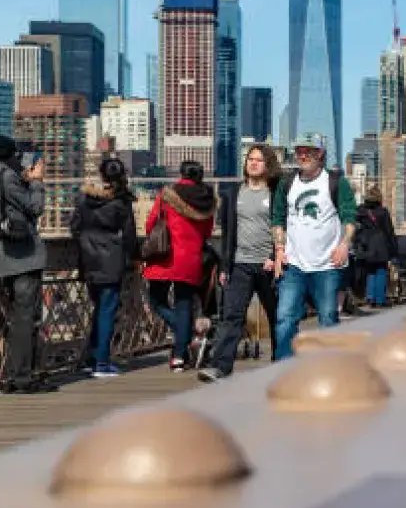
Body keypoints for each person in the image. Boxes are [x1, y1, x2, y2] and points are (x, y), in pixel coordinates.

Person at [0, 132, 53, 394]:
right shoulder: (6, 177)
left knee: (17, 318)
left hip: (1, 255)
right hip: (23, 257)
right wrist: (37, 182)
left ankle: (15, 375)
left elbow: (8, 208)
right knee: (26, 319)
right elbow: (34, 207)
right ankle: (22, 378)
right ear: (6, 154)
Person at [270, 132, 357, 361]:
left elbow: (349, 217)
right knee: (285, 318)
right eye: (299, 150)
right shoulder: (286, 183)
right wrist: (279, 249)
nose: (302, 155)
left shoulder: (336, 182)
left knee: (328, 318)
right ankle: (284, 369)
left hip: (327, 265)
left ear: (320, 153)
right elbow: (278, 218)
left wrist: (344, 245)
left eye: (308, 151)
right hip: (294, 265)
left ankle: (329, 367)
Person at [198, 145, 281, 383]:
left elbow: (284, 228)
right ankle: (220, 367)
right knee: (231, 316)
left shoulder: (276, 193)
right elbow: (227, 234)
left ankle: (282, 364)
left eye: (259, 160)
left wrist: (276, 258)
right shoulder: (233, 193)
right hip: (240, 264)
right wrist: (225, 266)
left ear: (268, 165)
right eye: (250, 159)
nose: (253, 163)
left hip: (267, 265)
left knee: (278, 316)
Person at [144, 161, 216, 372]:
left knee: (157, 301)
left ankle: (183, 331)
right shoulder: (207, 200)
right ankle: (178, 357)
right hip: (191, 258)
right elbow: (208, 232)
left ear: (180, 174)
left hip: (165, 255)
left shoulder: (167, 194)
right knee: (184, 303)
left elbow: (150, 224)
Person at [69, 157, 138, 378]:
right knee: (107, 311)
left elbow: (74, 227)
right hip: (111, 260)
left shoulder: (84, 198)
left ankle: (91, 359)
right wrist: (134, 257)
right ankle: (101, 363)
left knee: (99, 309)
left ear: (102, 175)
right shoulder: (121, 202)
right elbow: (129, 236)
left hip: (88, 260)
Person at [354, 185, 397, 308]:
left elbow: (356, 227)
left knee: (370, 271)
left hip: (366, 244)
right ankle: (380, 300)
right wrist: (394, 250)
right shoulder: (382, 212)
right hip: (381, 245)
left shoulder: (360, 210)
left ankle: (370, 298)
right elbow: (389, 231)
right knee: (381, 271)